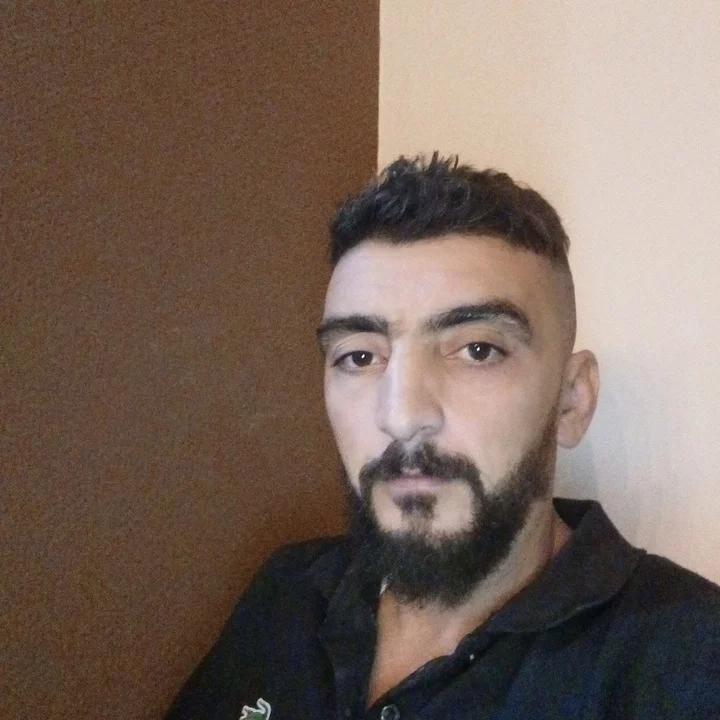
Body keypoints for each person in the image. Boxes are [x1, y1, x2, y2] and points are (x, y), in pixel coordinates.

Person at [165, 155, 720, 720]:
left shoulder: (692, 659)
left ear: (572, 400)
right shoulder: (288, 590)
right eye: (359, 357)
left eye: (477, 350)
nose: (401, 416)